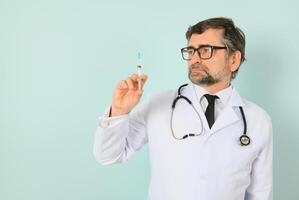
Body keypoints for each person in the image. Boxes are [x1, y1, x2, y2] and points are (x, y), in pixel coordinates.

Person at [93, 17, 273, 200]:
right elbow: (108, 156)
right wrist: (118, 111)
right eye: (191, 50)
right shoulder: (159, 104)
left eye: (205, 50)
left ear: (233, 59)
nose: (194, 58)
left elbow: (261, 193)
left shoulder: (257, 120)